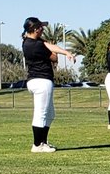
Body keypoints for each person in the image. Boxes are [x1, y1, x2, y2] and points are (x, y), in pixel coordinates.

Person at [21, 17, 76, 153]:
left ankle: (43, 142)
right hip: (41, 81)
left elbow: (51, 47)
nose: (43, 29)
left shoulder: (30, 41)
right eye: (40, 27)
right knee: (41, 113)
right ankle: (37, 145)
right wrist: (57, 54)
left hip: (37, 80)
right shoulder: (35, 45)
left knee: (50, 114)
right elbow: (53, 57)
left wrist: (66, 52)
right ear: (35, 30)